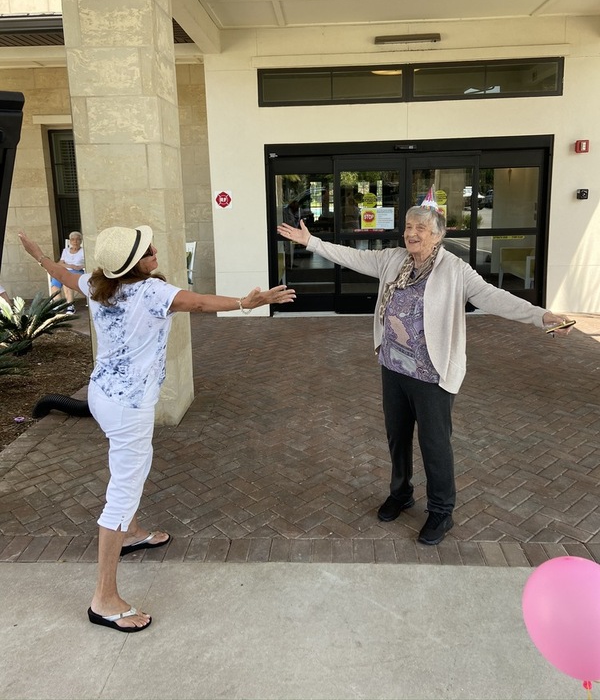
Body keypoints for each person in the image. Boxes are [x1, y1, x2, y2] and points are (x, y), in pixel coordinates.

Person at [18, 225, 295, 631]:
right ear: (133, 263)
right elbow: (199, 303)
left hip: (102, 396)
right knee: (123, 491)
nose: (155, 252)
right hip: (128, 408)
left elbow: (62, 275)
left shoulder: (98, 286)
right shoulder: (152, 293)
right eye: (147, 251)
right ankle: (104, 599)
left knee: (126, 473)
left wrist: (38, 255)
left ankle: (130, 533)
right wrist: (246, 301)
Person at [277, 206, 573, 546]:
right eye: (407, 226)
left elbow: (494, 297)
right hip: (394, 367)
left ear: (438, 234)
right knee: (397, 437)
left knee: (434, 444)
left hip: (432, 375)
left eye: (420, 227)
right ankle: (401, 493)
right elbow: (349, 257)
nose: (411, 233)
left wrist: (541, 316)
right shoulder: (393, 259)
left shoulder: (455, 271)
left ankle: (441, 511)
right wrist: (311, 241)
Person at [50, 231, 85, 313]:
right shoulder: (65, 251)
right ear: (70, 241)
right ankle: (58, 304)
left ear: (81, 241)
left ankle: (70, 306)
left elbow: (88, 263)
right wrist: (70, 266)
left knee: (67, 282)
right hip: (64, 271)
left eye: (77, 239)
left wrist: (80, 266)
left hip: (77, 272)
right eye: (73, 239)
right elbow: (60, 263)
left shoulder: (84, 251)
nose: (75, 241)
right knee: (55, 282)